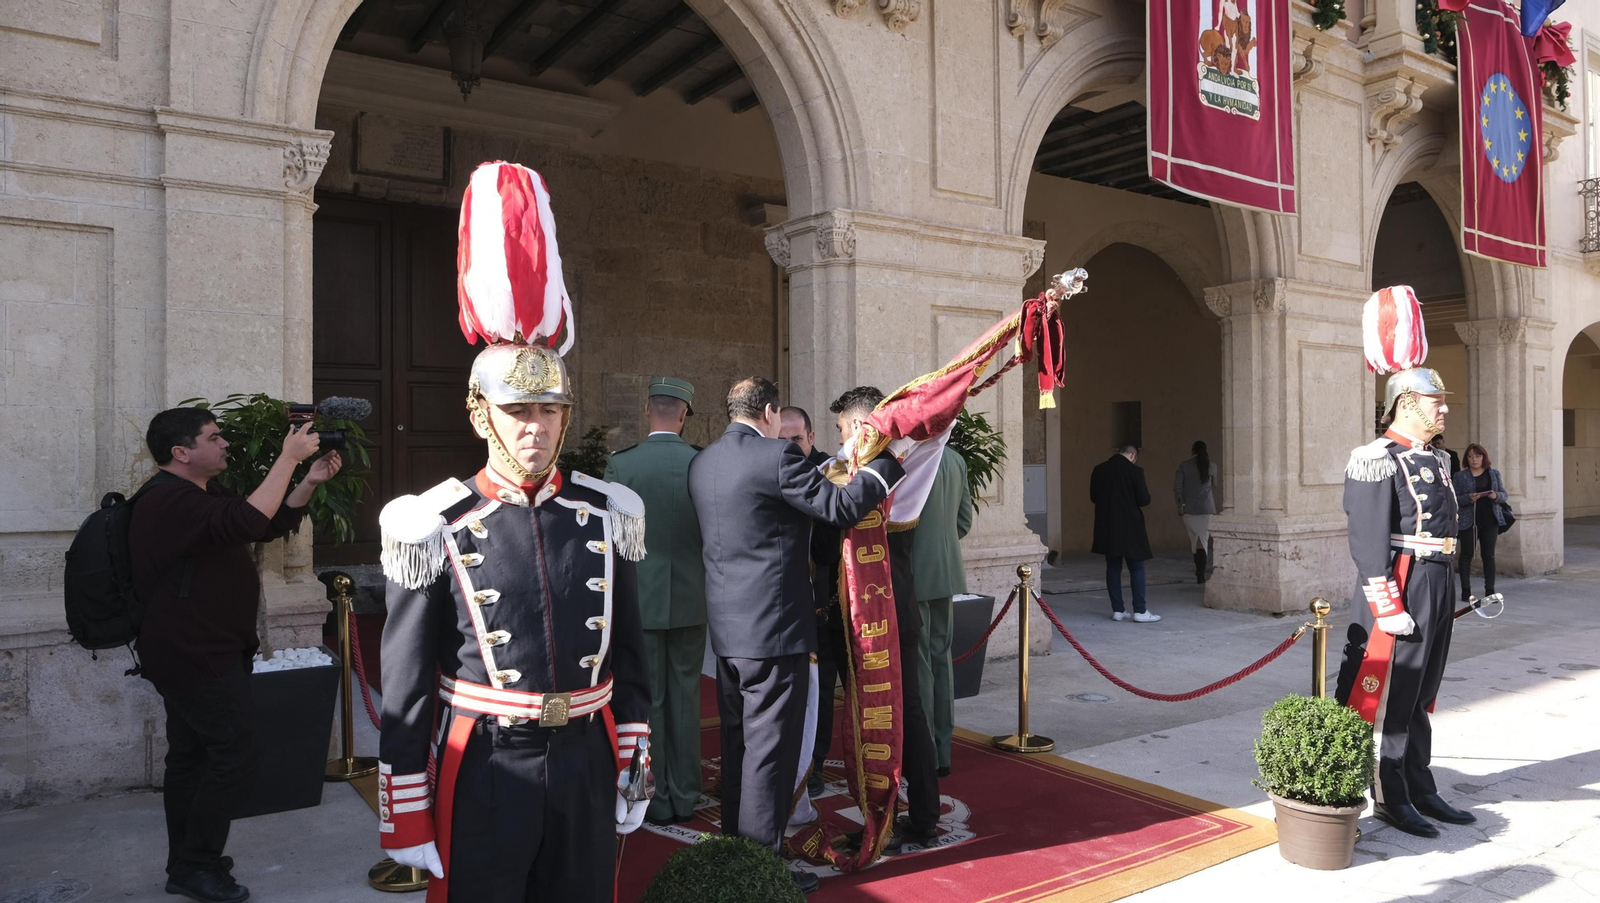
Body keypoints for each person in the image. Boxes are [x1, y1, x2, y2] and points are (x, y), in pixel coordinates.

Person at [375, 161, 652, 902]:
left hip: (588, 757)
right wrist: (406, 810)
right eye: (518, 412)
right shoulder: (433, 523)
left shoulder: (605, 513)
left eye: (549, 412)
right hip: (489, 761)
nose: (534, 429)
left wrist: (634, 754)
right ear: (480, 415)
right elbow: (404, 690)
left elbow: (630, 651)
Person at [688, 378, 901, 895]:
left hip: (729, 629)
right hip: (776, 630)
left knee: (740, 746)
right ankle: (759, 867)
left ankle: (737, 851)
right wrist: (884, 466)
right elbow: (841, 508)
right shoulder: (776, 457)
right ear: (769, 411)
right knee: (772, 753)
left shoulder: (703, 462)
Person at [132, 408, 340, 903]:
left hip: (203, 649)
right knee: (235, 756)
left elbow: (262, 526)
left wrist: (307, 480)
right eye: (214, 437)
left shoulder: (198, 493)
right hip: (193, 653)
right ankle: (197, 864)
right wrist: (288, 457)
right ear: (181, 452)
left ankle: (186, 861)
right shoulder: (167, 502)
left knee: (192, 757)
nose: (224, 444)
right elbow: (248, 518)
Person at [1335, 285, 1474, 840]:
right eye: (1436, 400)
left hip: (1437, 579)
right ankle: (1390, 795)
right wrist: (1385, 604)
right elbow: (1367, 538)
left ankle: (1420, 782)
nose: (1444, 407)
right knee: (1396, 691)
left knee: (1423, 690)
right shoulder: (1375, 459)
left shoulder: (1439, 457)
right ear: (1408, 403)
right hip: (1403, 582)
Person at [831, 386, 942, 853]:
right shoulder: (872, 467)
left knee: (892, 716)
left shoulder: (886, 469)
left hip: (882, 613)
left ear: (860, 426)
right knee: (896, 714)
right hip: (887, 610)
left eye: (842, 428)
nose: (841, 439)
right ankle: (909, 812)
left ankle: (903, 815)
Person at [604, 377, 707, 827]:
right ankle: (684, 794)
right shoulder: (703, 463)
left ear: (648, 409)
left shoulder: (622, 465)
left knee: (643, 701)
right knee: (685, 696)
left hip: (638, 602)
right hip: (692, 597)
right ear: (683, 414)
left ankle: (648, 794)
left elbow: (606, 541)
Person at [779, 405, 843, 799]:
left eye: (796, 440)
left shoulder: (830, 473)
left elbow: (829, 546)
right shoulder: (773, 468)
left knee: (821, 688)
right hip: (782, 603)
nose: (789, 447)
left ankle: (815, 764)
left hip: (824, 599)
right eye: (782, 440)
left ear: (812, 437)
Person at [911, 443, 974, 778]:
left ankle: (927, 751)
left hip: (915, 573)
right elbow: (963, 521)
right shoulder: (955, 459)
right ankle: (943, 748)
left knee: (921, 662)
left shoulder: (909, 459)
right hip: (946, 571)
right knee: (941, 657)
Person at [1090, 445, 1159, 622]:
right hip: (1131, 526)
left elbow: (1093, 497)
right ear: (1132, 455)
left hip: (1107, 525)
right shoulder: (1135, 471)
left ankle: (1118, 610)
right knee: (1137, 567)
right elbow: (1144, 500)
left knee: (1113, 568)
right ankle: (1140, 611)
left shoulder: (1099, 470)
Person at [1453, 443, 1508, 602]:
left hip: (1490, 519)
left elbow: (1504, 495)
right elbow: (1454, 499)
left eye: (1477, 456)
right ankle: (1466, 591)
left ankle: (1490, 591)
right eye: (1470, 456)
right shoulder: (1460, 476)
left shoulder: (1494, 474)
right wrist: (1469, 498)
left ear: (1484, 457)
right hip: (1468, 520)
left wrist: (1495, 496)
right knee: (1466, 555)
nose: (1474, 459)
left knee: (1488, 555)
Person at [1174, 440, 1219, 585]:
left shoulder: (1184, 466)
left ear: (1193, 450)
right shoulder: (1212, 467)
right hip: (1206, 509)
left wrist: (1180, 504)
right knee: (1203, 541)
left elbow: (1177, 487)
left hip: (1189, 509)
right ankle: (1200, 573)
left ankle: (1198, 571)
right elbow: (1214, 485)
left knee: (1194, 540)